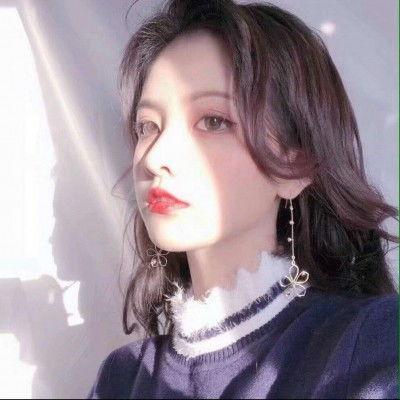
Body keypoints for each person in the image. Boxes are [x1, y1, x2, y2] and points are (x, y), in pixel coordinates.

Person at [88, 0, 399, 398]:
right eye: (147, 126)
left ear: (296, 165)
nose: (154, 158)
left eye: (213, 121)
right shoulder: (122, 377)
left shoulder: (372, 344)